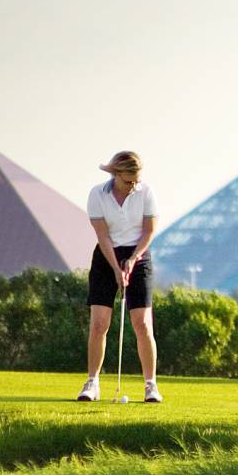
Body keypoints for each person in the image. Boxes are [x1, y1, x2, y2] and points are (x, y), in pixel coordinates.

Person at [76, 151, 164, 403]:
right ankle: (92, 383)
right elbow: (102, 236)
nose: (133, 185)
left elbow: (149, 231)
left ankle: (151, 385)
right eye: (128, 181)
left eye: (136, 180)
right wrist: (116, 267)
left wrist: (133, 259)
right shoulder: (97, 195)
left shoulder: (146, 193)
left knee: (142, 323)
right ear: (115, 174)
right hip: (106, 257)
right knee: (99, 323)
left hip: (139, 255)